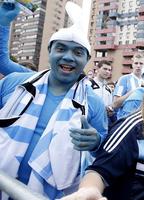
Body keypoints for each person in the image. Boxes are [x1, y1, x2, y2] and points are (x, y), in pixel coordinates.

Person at [0, 2, 108, 199]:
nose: (68, 57)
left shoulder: (94, 103)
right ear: (49, 51)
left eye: (77, 52)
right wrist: (3, 22)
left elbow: (103, 150)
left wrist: (96, 142)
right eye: (61, 49)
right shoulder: (16, 84)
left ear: (87, 59)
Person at [112, 52, 144, 119]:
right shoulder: (123, 79)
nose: (138, 66)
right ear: (132, 65)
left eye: (141, 63)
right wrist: (132, 93)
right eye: (136, 63)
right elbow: (115, 103)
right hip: (125, 119)